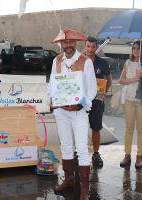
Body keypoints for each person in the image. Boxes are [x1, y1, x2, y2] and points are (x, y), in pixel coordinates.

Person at [48, 29, 97, 200]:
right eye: (65, 42)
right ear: (61, 43)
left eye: (70, 42)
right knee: (66, 145)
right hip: (61, 111)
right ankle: (68, 180)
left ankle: (85, 188)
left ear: (75, 42)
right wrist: (52, 99)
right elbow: (52, 84)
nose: (68, 45)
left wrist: (82, 104)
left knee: (82, 148)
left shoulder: (86, 62)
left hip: (79, 111)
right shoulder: (57, 61)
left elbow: (92, 89)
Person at [119, 41, 142, 169]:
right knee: (129, 129)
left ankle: (140, 156)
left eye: (138, 49)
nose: (135, 51)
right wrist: (135, 79)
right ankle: (127, 155)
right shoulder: (128, 63)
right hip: (129, 100)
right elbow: (121, 80)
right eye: (134, 48)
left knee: (141, 129)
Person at [84, 36, 112, 167]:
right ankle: (80, 153)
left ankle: (96, 154)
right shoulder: (79, 61)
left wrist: (104, 92)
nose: (90, 49)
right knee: (80, 128)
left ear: (96, 47)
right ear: (85, 46)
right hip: (81, 101)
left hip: (97, 101)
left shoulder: (102, 63)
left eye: (93, 47)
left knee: (96, 128)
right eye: (88, 46)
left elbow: (109, 80)